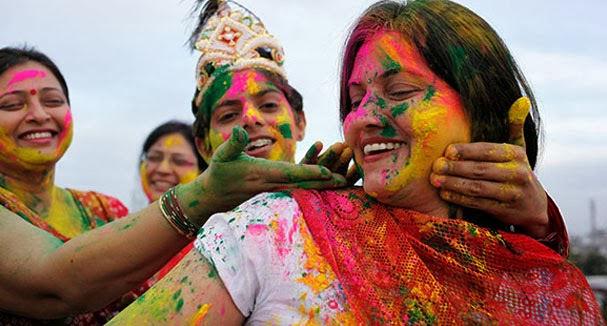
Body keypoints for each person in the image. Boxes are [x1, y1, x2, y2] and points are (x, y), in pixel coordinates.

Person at [110, 0, 603, 324]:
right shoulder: (276, 229)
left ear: (484, 109)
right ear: (202, 143)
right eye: (355, 98)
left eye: (401, 91)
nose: (364, 117)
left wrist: (540, 229)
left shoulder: (555, 285)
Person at [0, 46, 345, 324]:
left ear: (300, 121)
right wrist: (207, 196)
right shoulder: (197, 243)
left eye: (53, 101)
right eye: (12, 105)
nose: (39, 115)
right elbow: (57, 285)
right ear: (204, 146)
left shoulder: (104, 211)